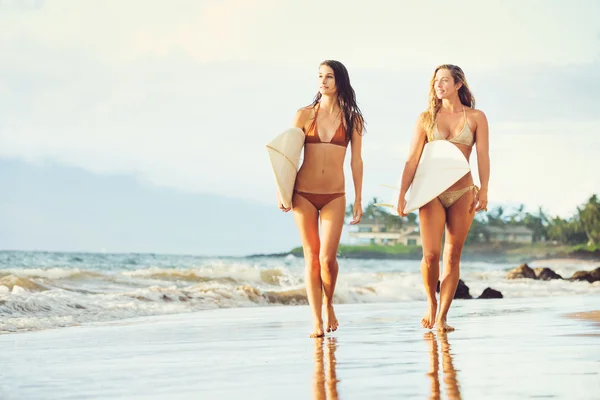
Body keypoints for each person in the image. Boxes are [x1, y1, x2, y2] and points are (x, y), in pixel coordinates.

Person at [397, 64, 490, 331]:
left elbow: (482, 155)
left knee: (453, 256)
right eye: (436, 81)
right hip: (430, 192)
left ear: (458, 84)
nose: (439, 85)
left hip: (463, 191)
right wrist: (402, 194)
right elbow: (412, 159)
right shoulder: (426, 118)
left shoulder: (475, 117)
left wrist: (484, 189)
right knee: (430, 255)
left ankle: (442, 318)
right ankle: (430, 302)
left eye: (445, 80)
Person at [278, 60, 365, 338]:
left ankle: (329, 304)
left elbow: (356, 161)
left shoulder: (352, 118)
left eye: (329, 76)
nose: (323, 81)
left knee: (328, 260)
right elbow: (288, 156)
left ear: (340, 80)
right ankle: (316, 320)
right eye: (320, 76)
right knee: (312, 258)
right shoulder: (304, 115)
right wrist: (282, 191)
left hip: (335, 195)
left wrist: (359, 198)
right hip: (303, 193)